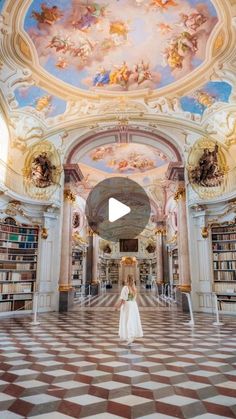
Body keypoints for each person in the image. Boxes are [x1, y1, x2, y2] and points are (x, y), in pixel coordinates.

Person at [115, 275, 143, 345]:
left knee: (127, 320)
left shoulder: (125, 288)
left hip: (127, 305)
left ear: (126, 280)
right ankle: (133, 334)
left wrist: (117, 307)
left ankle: (129, 336)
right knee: (133, 320)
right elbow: (134, 298)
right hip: (133, 305)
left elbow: (122, 298)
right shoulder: (134, 288)